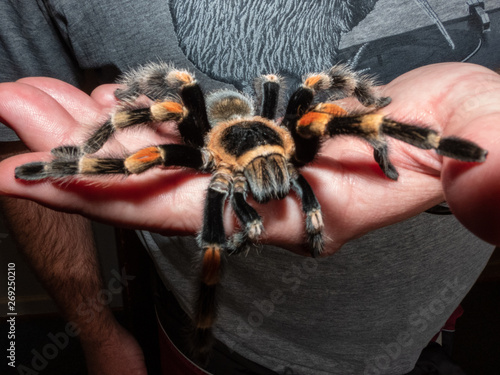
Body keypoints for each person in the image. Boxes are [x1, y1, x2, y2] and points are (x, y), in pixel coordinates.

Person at [1, 1, 499, 374]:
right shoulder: (207, 156)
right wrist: (65, 162)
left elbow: (344, 98)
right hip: (234, 349)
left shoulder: (293, 133)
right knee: (165, 116)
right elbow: (147, 143)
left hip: (430, 314)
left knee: (333, 110)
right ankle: (200, 324)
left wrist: (404, 133)